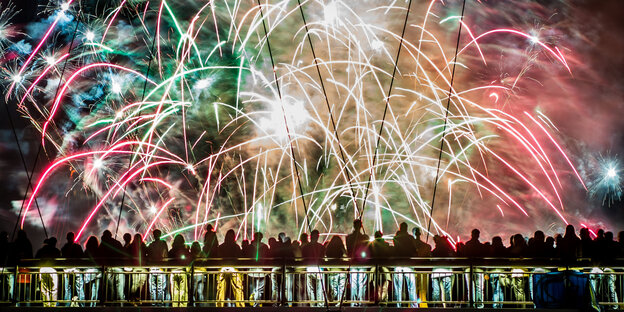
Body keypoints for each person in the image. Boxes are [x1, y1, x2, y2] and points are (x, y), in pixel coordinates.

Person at [216, 230, 244, 307]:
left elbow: (218, 257)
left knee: (221, 289)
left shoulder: (221, 246)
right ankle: (240, 306)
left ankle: (219, 306)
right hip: (234, 268)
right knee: (238, 288)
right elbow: (239, 257)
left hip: (223, 268)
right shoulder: (236, 246)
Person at [345, 219, 370, 306]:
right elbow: (368, 248)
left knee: (354, 284)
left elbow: (348, 249)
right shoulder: (365, 237)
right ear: (361, 226)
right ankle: (361, 302)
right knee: (362, 283)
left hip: (353, 262)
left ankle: (354, 303)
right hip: (362, 262)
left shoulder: (348, 237)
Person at [392, 222, 416, 307]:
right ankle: (414, 306)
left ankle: (397, 306)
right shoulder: (410, 238)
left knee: (397, 288)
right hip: (408, 264)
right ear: (406, 228)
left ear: (400, 228)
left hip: (398, 264)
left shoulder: (396, 238)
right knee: (411, 287)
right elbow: (414, 250)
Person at [302, 230, 325, 306]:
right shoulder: (321, 246)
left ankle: (312, 304)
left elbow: (303, 257)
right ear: (317, 237)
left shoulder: (306, 247)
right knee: (319, 288)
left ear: (311, 236)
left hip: (309, 268)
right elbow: (323, 257)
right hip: (319, 268)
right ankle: (320, 304)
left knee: (310, 288)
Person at [462, 229, 485, 308]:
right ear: (478, 235)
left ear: (471, 235)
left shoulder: (467, 245)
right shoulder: (481, 246)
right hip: (479, 268)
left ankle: (471, 304)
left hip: (468, 268)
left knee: (470, 288)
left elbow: (464, 256)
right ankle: (479, 305)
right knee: (479, 288)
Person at [36, 237, 61, 307]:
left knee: (44, 289)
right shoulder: (56, 251)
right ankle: (53, 305)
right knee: (53, 289)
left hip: (43, 269)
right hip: (52, 269)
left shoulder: (41, 250)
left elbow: (36, 259)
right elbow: (60, 261)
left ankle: (46, 304)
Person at [60, 232, 84, 306]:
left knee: (67, 289)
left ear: (67, 238)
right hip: (77, 269)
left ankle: (67, 305)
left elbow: (62, 258)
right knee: (80, 288)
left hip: (67, 269)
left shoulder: (64, 248)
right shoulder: (78, 247)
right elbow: (82, 257)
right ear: (73, 238)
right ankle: (82, 305)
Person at [431, 235, 455, 308]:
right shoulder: (448, 250)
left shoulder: (434, 251)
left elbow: (431, 260)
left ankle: (436, 307)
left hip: (435, 273)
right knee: (447, 291)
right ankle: (448, 307)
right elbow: (453, 259)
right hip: (447, 272)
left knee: (436, 291)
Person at [168, 235, 191, 307]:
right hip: (182, 271)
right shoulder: (185, 250)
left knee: (174, 290)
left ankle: (175, 306)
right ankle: (182, 306)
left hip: (174, 271)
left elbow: (168, 261)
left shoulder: (171, 251)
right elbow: (189, 260)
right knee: (183, 291)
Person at [147, 229, 168, 304]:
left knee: (152, 287)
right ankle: (160, 303)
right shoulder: (163, 243)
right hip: (161, 267)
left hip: (152, 267)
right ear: (160, 235)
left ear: (153, 235)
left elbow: (148, 255)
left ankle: (153, 302)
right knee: (161, 287)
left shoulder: (151, 244)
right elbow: (166, 255)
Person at [248, 233, 269, 306]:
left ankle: (252, 303)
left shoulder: (250, 247)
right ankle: (257, 303)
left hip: (251, 271)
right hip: (262, 271)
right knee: (260, 289)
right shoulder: (265, 247)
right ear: (261, 238)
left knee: (253, 288)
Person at [370, 231, 391, 305]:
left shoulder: (370, 245)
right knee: (384, 288)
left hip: (374, 269)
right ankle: (383, 303)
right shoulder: (386, 244)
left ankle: (378, 302)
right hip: (384, 269)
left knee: (377, 288)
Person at [325, 236, 347, 305]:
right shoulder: (341, 248)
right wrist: (345, 268)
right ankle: (340, 303)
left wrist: (329, 268)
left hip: (333, 270)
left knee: (334, 288)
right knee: (341, 288)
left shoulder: (329, 249)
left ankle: (333, 302)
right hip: (342, 270)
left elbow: (326, 258)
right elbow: (347, 257)